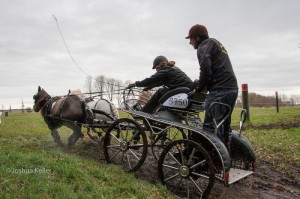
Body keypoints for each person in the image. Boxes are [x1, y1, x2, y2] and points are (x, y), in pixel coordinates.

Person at [185, 24, 238, 150]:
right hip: (232, 88)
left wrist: (197, 89)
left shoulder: (203, 46)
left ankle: (213, 159)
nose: (190, 43)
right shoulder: (215, 43)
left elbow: (205, 69)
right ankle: (227, 155)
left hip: (220, 90)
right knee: (224, 126)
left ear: (197, 38)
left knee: (209, 126)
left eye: (191, 39)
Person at [127, 55, 194, 114]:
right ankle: (155, 112)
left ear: (159, 65)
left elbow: (151, 80)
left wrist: (136, 84)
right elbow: (160, 82)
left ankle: (144, 112)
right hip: (189, 94)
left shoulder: (165, 69)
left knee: (160, 91)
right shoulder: (173, 69)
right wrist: (149, 87)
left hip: (183, 94)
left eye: (156, 68)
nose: (156, 70)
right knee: (163, 91)